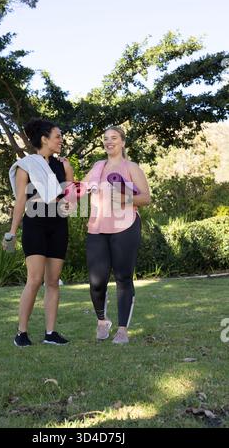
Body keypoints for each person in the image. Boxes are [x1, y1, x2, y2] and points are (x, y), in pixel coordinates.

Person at [3, 118, 74, 347]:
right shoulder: (27, 165)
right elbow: (21, 200)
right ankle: (21, 333)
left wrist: (67, 202)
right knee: (34, 280)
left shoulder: (64, 165)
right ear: (44, 139)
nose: (61, 140)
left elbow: (71, 199)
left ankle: (50, 333)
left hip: (58, 225)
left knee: (52, 281)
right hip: (35, 225)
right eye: (58, 137)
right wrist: (12, 232)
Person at [84, 126, 151, 344]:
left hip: (126, 226)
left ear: (122, 142)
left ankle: (122, 329)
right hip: (97, 228)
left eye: (113, 138)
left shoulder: (131, 167)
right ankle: (102, 321)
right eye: (105, 139)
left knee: (123, 277)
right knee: (96, 280)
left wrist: (122, 199)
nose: (108, 142)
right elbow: (80, 188)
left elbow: (145, 198)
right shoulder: (97, 166)